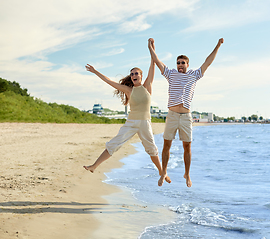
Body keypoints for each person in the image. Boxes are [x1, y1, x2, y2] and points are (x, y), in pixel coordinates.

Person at [83, 40, 171, 185]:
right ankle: (94, 166)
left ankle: (163, 173)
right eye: (132, 74)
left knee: (152, 149)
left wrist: (151, 48)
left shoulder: (147, 85)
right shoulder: (129, 90)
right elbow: (109, 81)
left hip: (144, 123)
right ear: (130, 77)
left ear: (141, 76)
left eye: (136, 73)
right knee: (113, 144)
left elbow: (153, 63)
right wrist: (95, 71)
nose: (134, 75)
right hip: (131, 123)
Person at [148, 37, 224, 187]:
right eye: (178, 63)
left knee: (187, 146)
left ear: (188, 64)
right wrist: (151, 47)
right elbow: (157, 61)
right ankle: (163, 172)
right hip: (172, 115)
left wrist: (218, 45)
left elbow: (208, 62)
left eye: (183, 63)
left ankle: (187, 174)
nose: (180, 65)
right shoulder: (170, 74)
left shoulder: (194, 75)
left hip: (186, 117)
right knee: (166, 145)